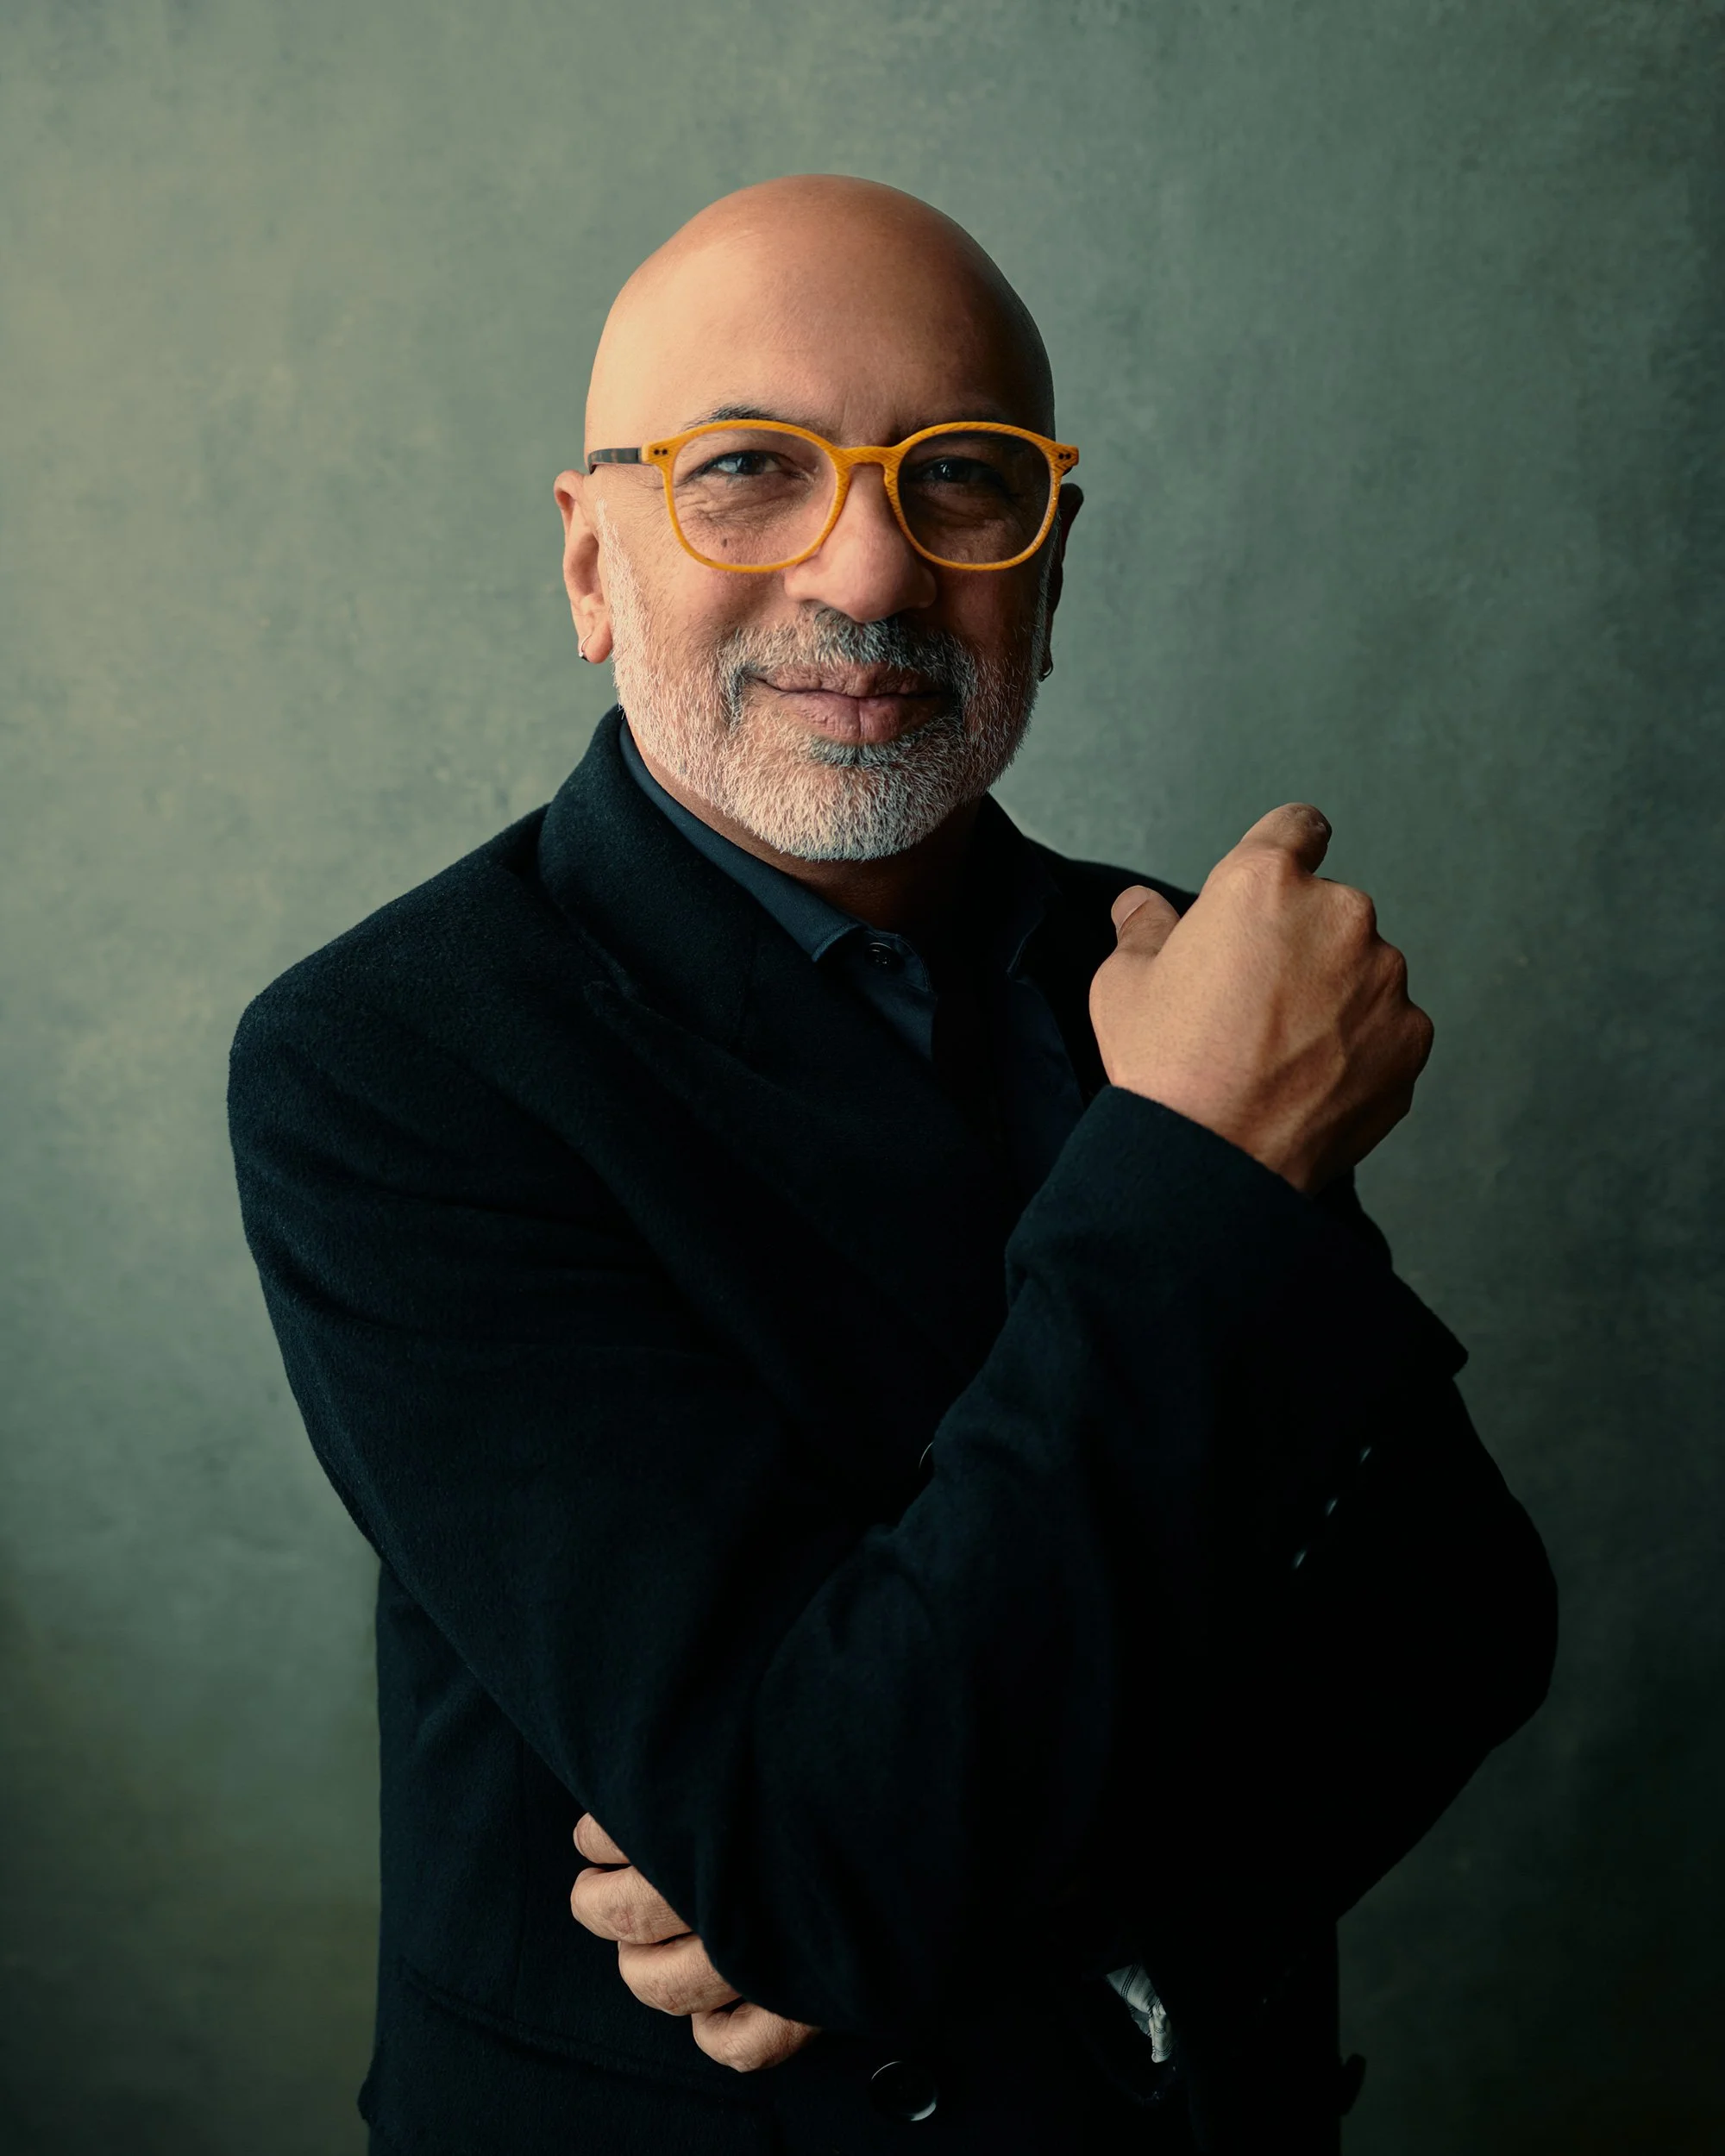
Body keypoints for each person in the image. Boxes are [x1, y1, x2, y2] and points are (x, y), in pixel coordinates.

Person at [228, 175, 1556, 2156]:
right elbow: (831, 1841)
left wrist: (1007, 1912)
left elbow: (1446, 1612)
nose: (868, 569)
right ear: (591, 563)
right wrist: (1191, 1157)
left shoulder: (1179, 966)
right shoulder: (393, 1060)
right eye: (750, 470)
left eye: (960, 480)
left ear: (1049, 564)